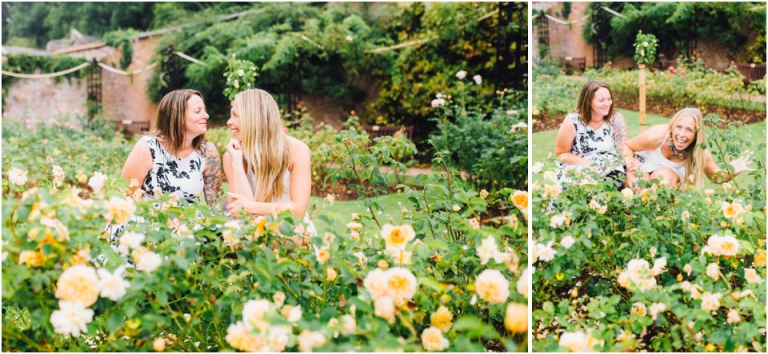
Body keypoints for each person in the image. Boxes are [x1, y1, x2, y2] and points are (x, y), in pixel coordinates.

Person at [222, 88, 316, 245]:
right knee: (244, 234)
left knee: (295, 234)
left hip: (288, 225)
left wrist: (252, 206)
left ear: (254, 119)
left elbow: (298, 210)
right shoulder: (233, 155)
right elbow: (242, 215)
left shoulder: (297, 150)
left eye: (235, 115)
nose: (229, 122)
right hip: (252, 227)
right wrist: (237, 163)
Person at [121, 89, 222, 205]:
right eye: (198, 111)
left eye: (204, 110)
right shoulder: (147, 147)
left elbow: (216, 203)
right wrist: (162, 217)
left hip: (189, 220)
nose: (206, 116)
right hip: (150, 219)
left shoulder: (207, 151)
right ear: (177, 116)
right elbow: (126, 193)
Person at [623, 107, 753, 189]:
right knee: (638, 185)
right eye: (679, 127)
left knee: (662, 178)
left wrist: (733, 170)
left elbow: (715, 176)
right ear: (673, 126)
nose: (682, 135)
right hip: (642, 165)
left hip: (669, 174)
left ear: (697, 134)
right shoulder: (658, 135)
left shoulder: (699, 150)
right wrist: (630, 163)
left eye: (689, 130)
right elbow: (627, 145)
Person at [554, 80, 628, 188]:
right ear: (588, 101)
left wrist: (629, 162)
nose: (607, 104)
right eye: (601, 100)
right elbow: (561, 154)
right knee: (586, 189)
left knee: (611, 184)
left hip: (609, 165)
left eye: (609, 99)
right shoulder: (573, 121)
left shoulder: (615, 118)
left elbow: (623, 149)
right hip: (579, 165)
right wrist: (585, 163)